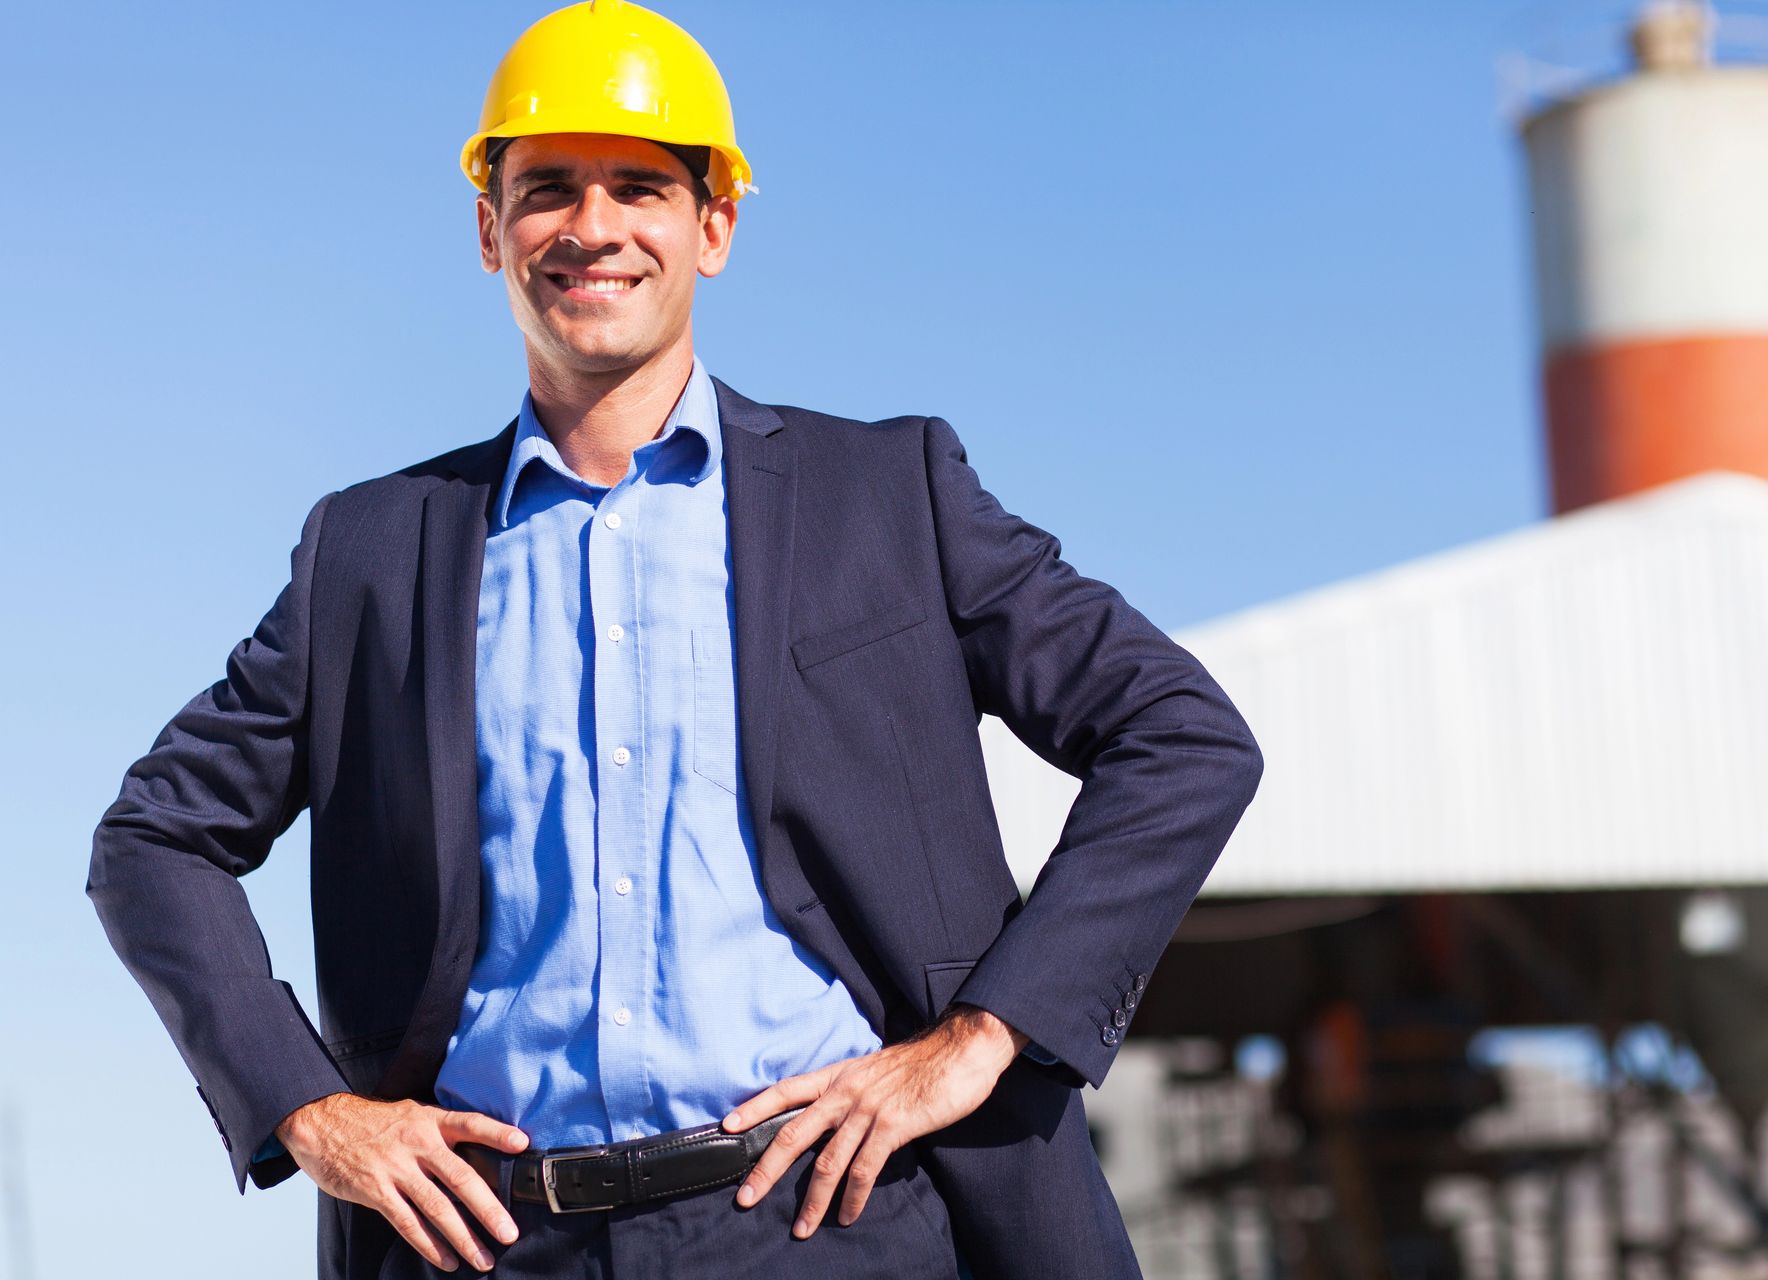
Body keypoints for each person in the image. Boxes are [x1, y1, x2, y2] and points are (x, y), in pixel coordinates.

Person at [86, 2, 1264, 1277]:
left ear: (714, 225)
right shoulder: (369, 555)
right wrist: (309, 1111)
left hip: (828, 1219)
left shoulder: (890, 496)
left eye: (640, 186)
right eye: (547, 190)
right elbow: (153, 838)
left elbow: (1182, 735)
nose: (592, 228)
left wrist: (980, 1037)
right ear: (490, 228)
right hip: (491, 1236)